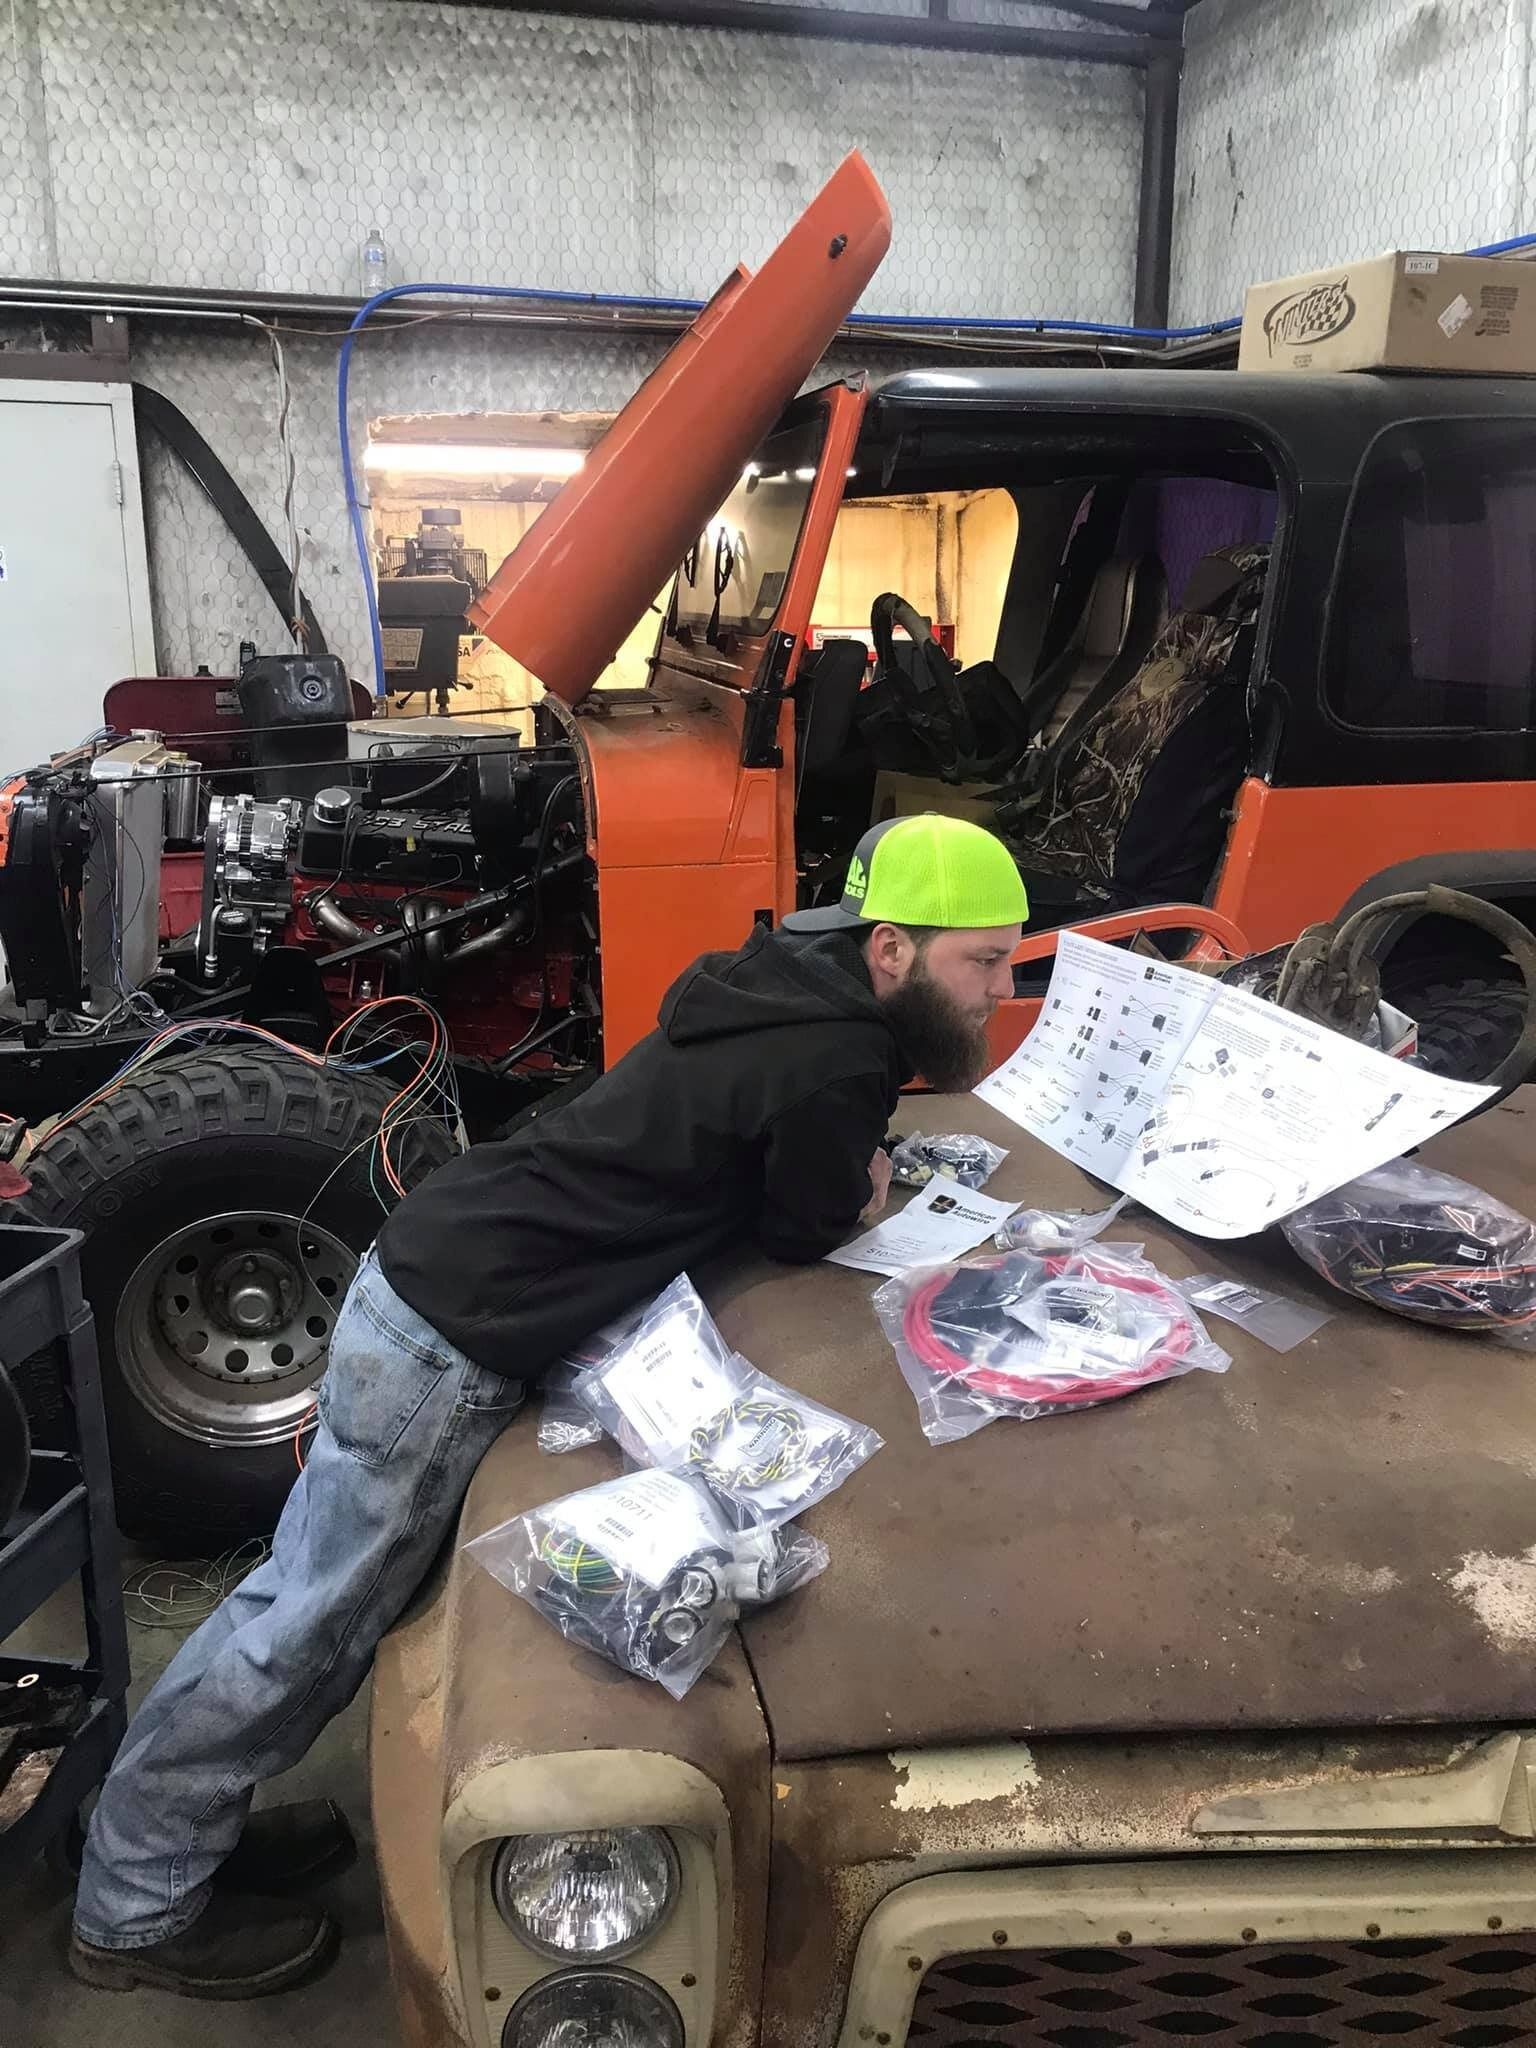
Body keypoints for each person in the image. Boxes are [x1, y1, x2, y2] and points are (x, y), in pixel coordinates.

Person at [69, 812, 1028, 1999]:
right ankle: (135, 1897)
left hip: (435, 1277)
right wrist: (861, 1183)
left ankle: (181, 1834)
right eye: (981, 961)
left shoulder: (776, 982)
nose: (998, 987)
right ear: (889, 950)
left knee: (311, 1608)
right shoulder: (838, 1056)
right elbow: (804, 1220)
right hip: (446, 1332)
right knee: (305, 1618)